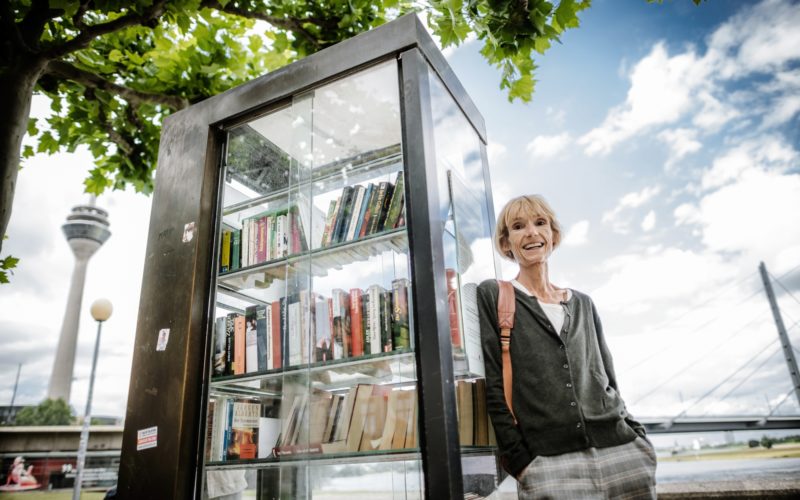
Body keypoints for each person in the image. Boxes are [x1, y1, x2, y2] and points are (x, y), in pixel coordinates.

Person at [478, 195, 657, 499]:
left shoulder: (583, 303)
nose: (532, 232)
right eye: (519, 226)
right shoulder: (494, 295)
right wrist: (521, 461)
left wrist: (637, 438)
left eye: (540, 223)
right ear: (506, 243)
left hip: (623, 451)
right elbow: (493, 386)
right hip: (547, 464)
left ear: (553, 235)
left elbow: (607, 377)